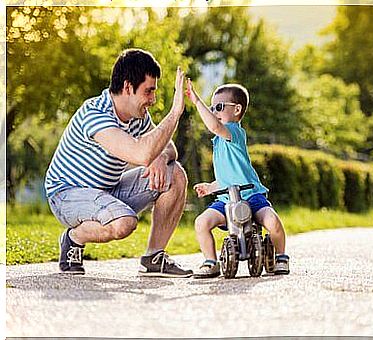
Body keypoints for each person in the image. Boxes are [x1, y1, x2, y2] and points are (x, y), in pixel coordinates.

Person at [45, 48, 192, 277]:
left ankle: (154, 256)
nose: (152, 100)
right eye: (148, 91)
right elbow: (140, 154)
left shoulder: (137, 116)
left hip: (107, 190)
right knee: (124, 223)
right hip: (67, 195)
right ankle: (73, 238)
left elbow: (168, 148)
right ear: (127, 87)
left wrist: (161, 157)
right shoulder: (95, 114)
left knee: (175, 175)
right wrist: (174, 113)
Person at [185, 80, 290, 278]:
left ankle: (282, 257)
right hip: (226, 199)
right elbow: (228, 177)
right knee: (201, 223)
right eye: (211, 107)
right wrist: (211, 187)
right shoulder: (218, 141)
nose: (214, 111)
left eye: (218, 107)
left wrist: (197, 101)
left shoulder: (233, 131)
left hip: (251, 196)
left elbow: (215, 126)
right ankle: (210, 261)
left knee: (272, 221)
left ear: (237, 109)